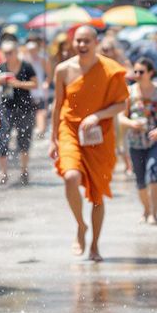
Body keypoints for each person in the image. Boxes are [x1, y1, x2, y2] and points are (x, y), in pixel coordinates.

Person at [50, 25, 129, 259]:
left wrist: (97, 116)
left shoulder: (111, 69)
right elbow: (57, 105)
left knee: (97, 194)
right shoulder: (63, 70)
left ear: (96, 43)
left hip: (99, 134)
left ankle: (94, 244)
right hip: (69, 129)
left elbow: (122, 104)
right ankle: (80, 225)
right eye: (78, 41)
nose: (82, 45)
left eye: (87, 41)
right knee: (71, 176)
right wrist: (53, 139)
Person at [120, 56, 157, 224]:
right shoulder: (130, 92)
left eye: (141, 71)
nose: (137, 74)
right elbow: (121, 117)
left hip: (156, 139)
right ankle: (146, 209)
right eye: (135, 71)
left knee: (154, 172)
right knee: (140, 180)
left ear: (150, 73)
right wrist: (131, 123)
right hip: (135, 141)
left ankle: (154, 213)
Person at [0, 39, 38, 185]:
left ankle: (24, 170)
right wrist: (0, 80)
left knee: (24, 139)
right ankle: (3, 173)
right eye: (5, 53)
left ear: (16, 52)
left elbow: (35, 83)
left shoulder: (26, 66)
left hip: (25, 107)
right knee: (3, 139)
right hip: (6, 107)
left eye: (10, 52)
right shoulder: (1, 67)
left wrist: (17, 83)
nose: (8, 55)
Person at [24, 36, 50, 136]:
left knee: (40, 109)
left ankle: (41, 129)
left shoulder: (42, 59)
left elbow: (49, 73)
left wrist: (46, 82)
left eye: (34, 50)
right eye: (30, 50)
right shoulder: (25, 60)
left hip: (39, 89)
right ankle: (35, 128)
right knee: (32, 109)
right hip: (30, 88)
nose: (32, 52)